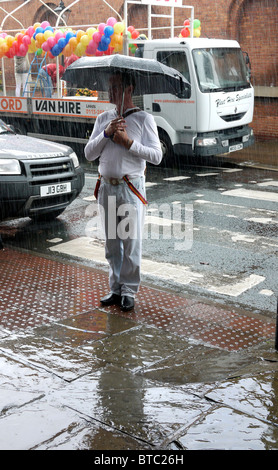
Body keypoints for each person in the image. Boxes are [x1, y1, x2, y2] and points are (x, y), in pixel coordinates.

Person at [84, 72, 162, 311]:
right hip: (107, 187)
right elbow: (89, 154)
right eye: (109, 87)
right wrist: (106, 134)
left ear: (129, 89)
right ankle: (115, 288)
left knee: (130, 243)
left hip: (129, 188)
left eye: (116, 87)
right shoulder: (103, 119)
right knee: (111, 243)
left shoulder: (143, 119)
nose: (111, 93)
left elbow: (157, 156)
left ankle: (129, 290)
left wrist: (128, 143)